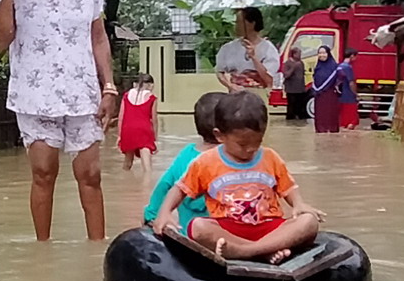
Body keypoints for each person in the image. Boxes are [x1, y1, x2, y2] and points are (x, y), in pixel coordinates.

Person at [0, 0, 118, 241]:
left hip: (83, 94)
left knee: (90, 175)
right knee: (43, 173)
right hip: (34, 95)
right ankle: (42, 251)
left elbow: (98, 38)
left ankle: (97, 249)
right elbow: (1, 40)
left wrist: (109, 87)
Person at [152, 91, 324, 263]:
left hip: (268, 227)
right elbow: (179, 189)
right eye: (242, 144)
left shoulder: (270, 157)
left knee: (308, 222)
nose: (250, 149)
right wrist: (164, 213)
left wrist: (298, 204)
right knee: (197, 227)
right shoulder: (205, 162)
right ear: (220, 136)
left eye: (258, 142)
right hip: (229, 230)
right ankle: (265, 250)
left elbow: (288, 188)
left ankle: (247, 251)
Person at [141, 91, 228, 227]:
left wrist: (151, 215)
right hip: (222, 235)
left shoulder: (187, 154)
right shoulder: (232, 160)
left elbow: (164, 185)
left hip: (187, 232)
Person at [215, 7, 282, 94]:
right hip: (235, 96)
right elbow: (220, 71)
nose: (236, 26)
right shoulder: (228, 48)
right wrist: (230, 85)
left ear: (252, 24)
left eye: (239, 22)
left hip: (258, 96)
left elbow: (269, 81)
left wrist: (254, 58)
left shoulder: (268, 49)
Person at [117, 75, 159, 172]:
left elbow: (121, 117)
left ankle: (125, 184)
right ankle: (147, 186)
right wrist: (155, 138)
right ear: (150, 85)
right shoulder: (152, 97)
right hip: (144, 131)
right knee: (147, 168)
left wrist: (120, 135)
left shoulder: (126, 95)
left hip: (128, 130)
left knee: (127, 164)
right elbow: (154, 119)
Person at [310, 44, 355, 135]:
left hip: (330, 94)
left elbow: (341, 76)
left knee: (330, 114)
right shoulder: (317, 67)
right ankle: (320, 130)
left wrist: (337, 85)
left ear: (328, 54)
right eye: (320, 53)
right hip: (319, 96)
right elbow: (315, 79)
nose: (322, 55)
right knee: (320, 114)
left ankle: (331, 130)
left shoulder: (334, 66)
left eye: (324, 53)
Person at [281, 46, 309, 121]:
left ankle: (300, 119)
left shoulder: (301, 63)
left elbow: (302, 75)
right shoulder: (288, 63)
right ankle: (290, 119)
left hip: (300, 89)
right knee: (291, 106)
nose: (300, 55)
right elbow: (286, 75)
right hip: (291, 89)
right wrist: (293, 67)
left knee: (300, 106)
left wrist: (304, 87)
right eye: (298, 54)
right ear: (293, 54)